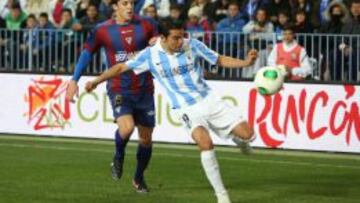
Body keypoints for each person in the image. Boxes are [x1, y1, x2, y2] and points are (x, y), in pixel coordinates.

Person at [85, 19, 258, 203]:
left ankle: (239, 141)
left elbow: (219, 59)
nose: (180, 41)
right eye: (175, 38)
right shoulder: (150, 55)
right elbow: (121, 67)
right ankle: (222, 196)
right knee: (205, 144)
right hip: (185, 108)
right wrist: (96, 81)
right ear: (163, 38)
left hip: (209, 99)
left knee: (248, 134)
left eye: (182, 36)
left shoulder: (192, 45)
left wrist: (246, 62)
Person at [65, 0, 158, 193]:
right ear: (115, 6)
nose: (130, 7)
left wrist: (158, 41)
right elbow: (87, 53)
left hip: (144, 89)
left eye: (132, 3)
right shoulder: (102, 30)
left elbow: (161, 40)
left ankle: (138, 178)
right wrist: (74, 80)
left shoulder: (147, 24)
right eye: (125, 3)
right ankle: (118, 155)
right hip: (119, 88)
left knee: (146, 140)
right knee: (126, 128)